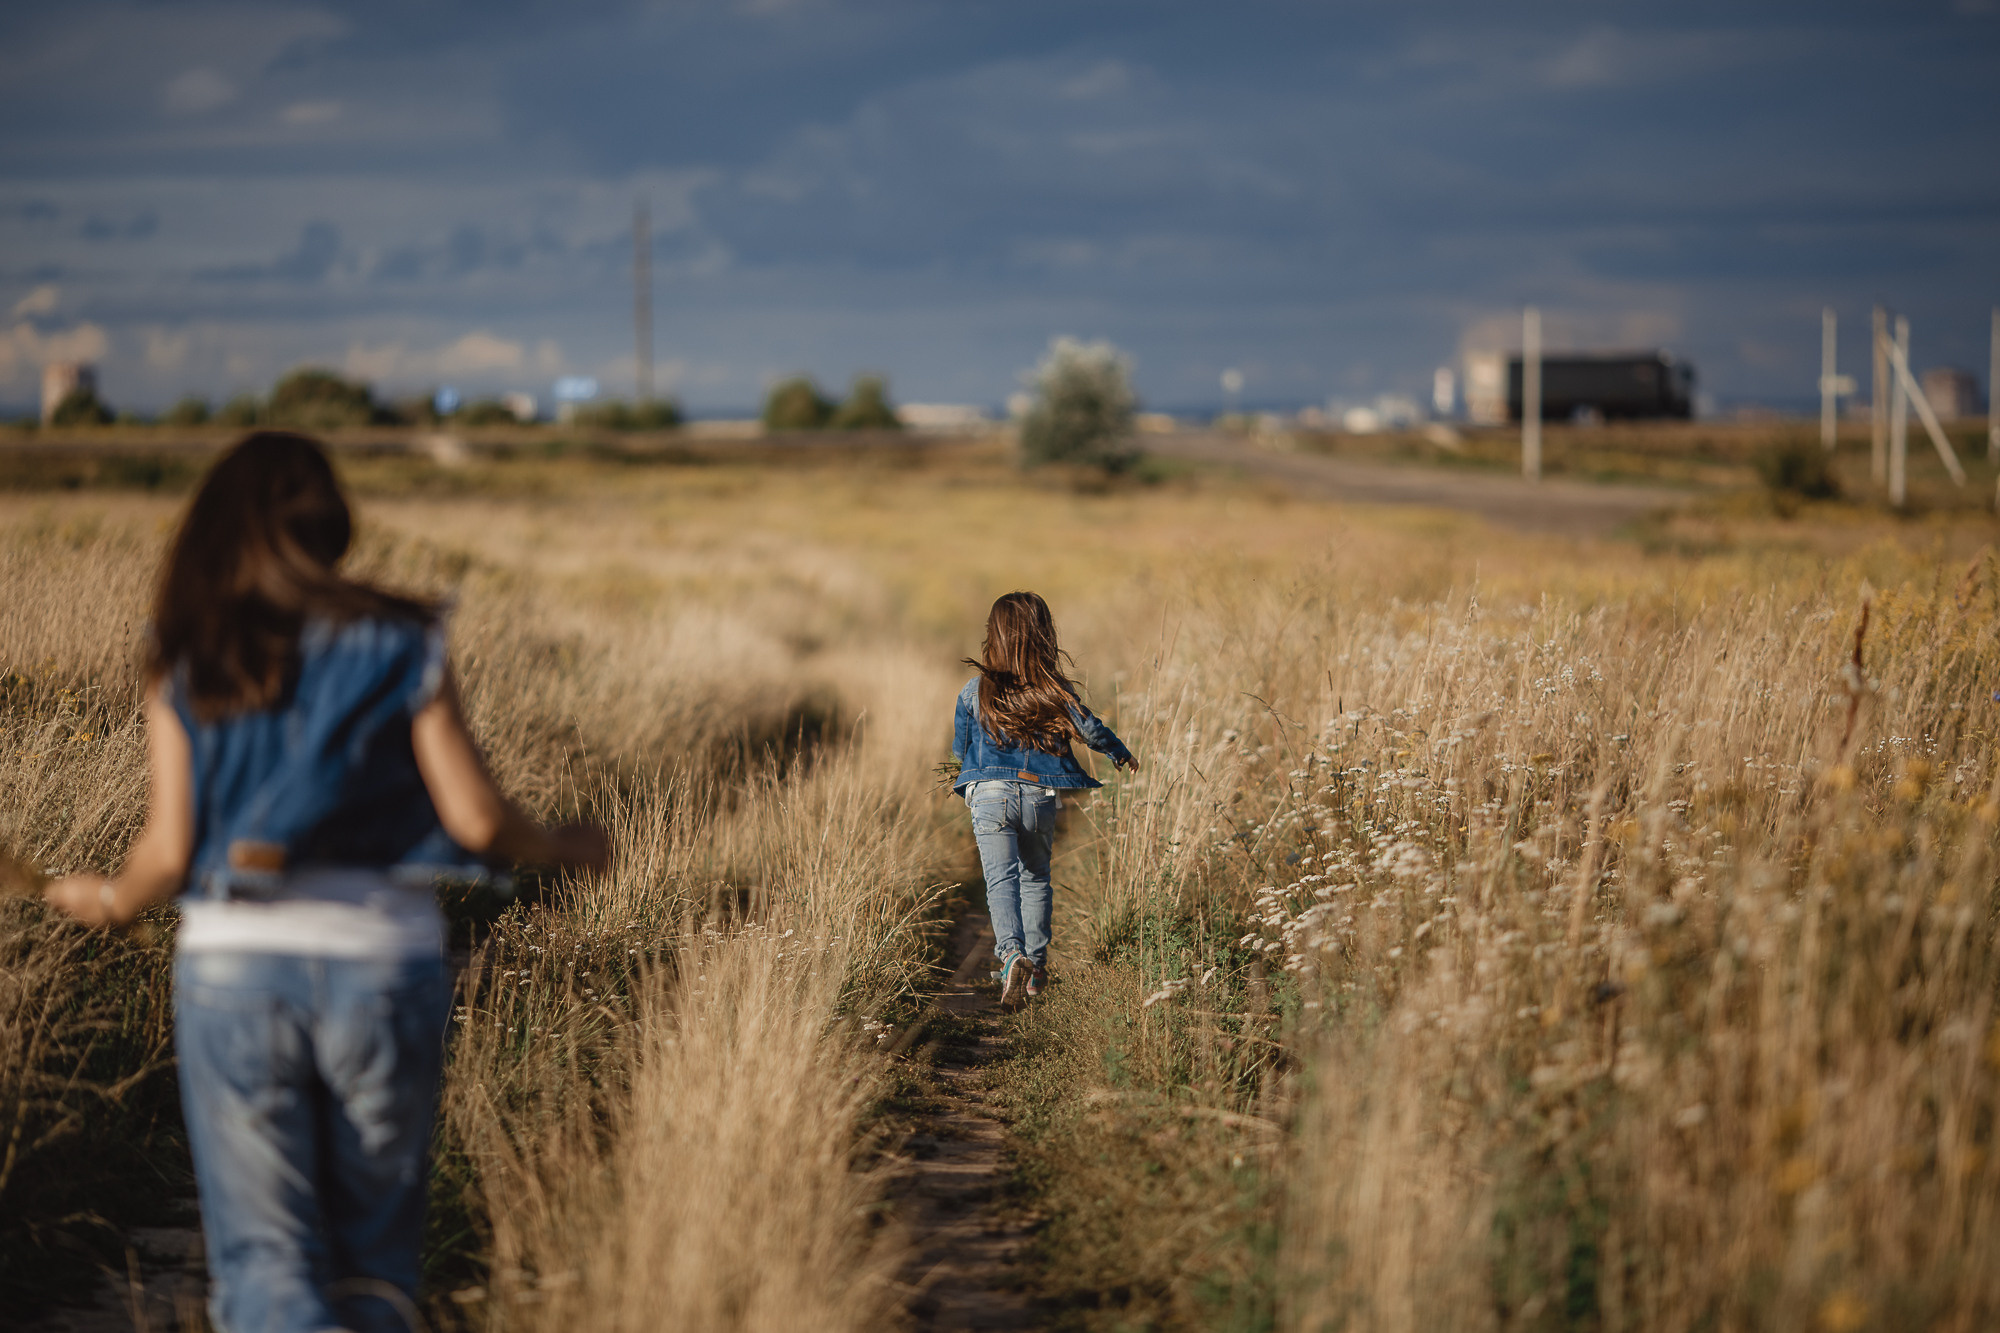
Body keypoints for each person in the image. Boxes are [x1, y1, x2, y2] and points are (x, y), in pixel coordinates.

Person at [45, 431, 609, 1333]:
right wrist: (562, 842)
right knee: (375, 1269)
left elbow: (170, 844)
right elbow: (475, 820)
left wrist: (108, 899)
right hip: (383, 964)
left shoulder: (188, 645)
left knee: (268, 1266)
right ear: (329, 521)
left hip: (236, 969)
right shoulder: (401, 633)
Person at [952, 591, 1138, 1005]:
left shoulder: (973, 691)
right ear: (1044, 636)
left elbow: (959, 750)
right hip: (1038, 795)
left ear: (993, 637)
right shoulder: (1054, 690)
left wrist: (972, 771)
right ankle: (1035, 970)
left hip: (990, 797)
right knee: (1035, 877)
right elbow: (1089, 731)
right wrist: (1119, 753)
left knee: (1001, 879)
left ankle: (1011, 954)